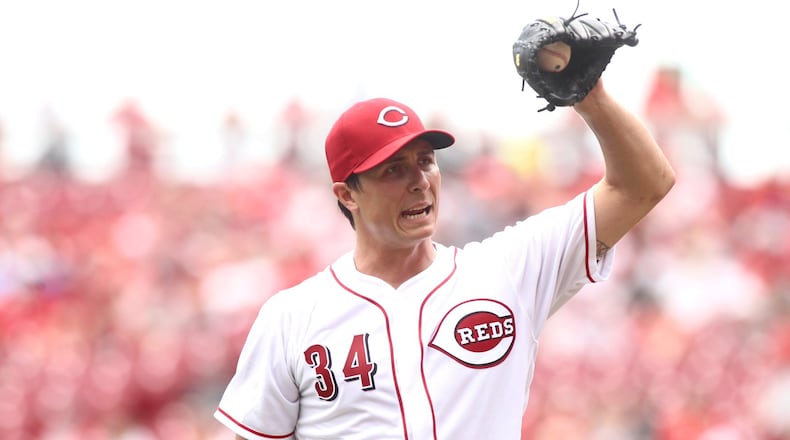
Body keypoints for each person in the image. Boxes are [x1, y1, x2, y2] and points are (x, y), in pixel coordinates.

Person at [214, 80, 676, 439]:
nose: (419, 180)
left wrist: (591, 98)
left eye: (426, 161)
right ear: (347, 194)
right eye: (393, 170)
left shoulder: (505, 270)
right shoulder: (291, 317)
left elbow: (644, 184)